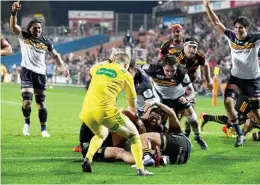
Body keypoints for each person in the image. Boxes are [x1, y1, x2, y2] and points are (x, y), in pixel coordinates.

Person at [203, 0, 260, 147]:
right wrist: (207, 7)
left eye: (240, 28)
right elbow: (216, 23)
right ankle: (240, 134)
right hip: (236, 79)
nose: (237, 30)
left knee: (256, 113)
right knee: (227, 102)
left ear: (246, 28)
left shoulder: (254, 39)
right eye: (236, 27)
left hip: (252, 81)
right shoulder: (231, 37)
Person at [79, 53, 153, 176]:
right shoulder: (125, 74)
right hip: (105, 111)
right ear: (127, 64)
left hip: (86, 111)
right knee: (134, 135)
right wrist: (132, 110)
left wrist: (108, 60)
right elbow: (131, 100)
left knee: (102, 134)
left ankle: (88, 158)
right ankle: (141, 168)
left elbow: (91, 70)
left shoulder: (100, 67)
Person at [10, 1, 69, 137]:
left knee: (41, 104)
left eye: (39, 28)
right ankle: (27, 124)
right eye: (35, 28)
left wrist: (63, 67)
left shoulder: (46, 42)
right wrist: (14, 12)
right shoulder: (24, 37)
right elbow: (13, 26)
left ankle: (43, 129)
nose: (37, 30)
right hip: (27, 73)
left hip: (41, 75)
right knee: (27, 101)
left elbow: (55, 56)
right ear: (30, 29)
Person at [146, 54, 208, 150]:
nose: (170, 73)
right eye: (167, 70)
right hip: (163, 99)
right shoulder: (152, 69)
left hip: (179, 98)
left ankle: (198, 137)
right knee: (159, 122)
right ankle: (162, 143)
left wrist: (187, 99)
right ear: (162, 67)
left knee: (193, 120)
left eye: (173, 71)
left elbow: (192, 93)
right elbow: (136, 68)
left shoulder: (182, 74)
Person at [140, 100, 192, 165]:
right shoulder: (144, 123)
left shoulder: (170, 130)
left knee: (144, 137)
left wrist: (155, 102)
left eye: (157, 118)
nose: (153, 120)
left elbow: (171, 113)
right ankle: (156, 158)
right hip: (178, 159)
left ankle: (147, 158)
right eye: (152, 117)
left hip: (183, 143)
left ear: (161, 121)